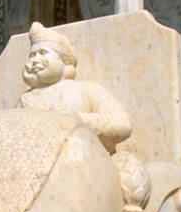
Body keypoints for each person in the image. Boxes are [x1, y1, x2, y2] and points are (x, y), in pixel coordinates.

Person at [17, 21, 132, 153]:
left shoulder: (87, 89)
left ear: (62, 59)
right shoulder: (24, 100)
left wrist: (77, 119)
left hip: (87, 160)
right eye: (32, 55)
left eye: (43, 52)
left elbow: (123, 124)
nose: (35, 60)